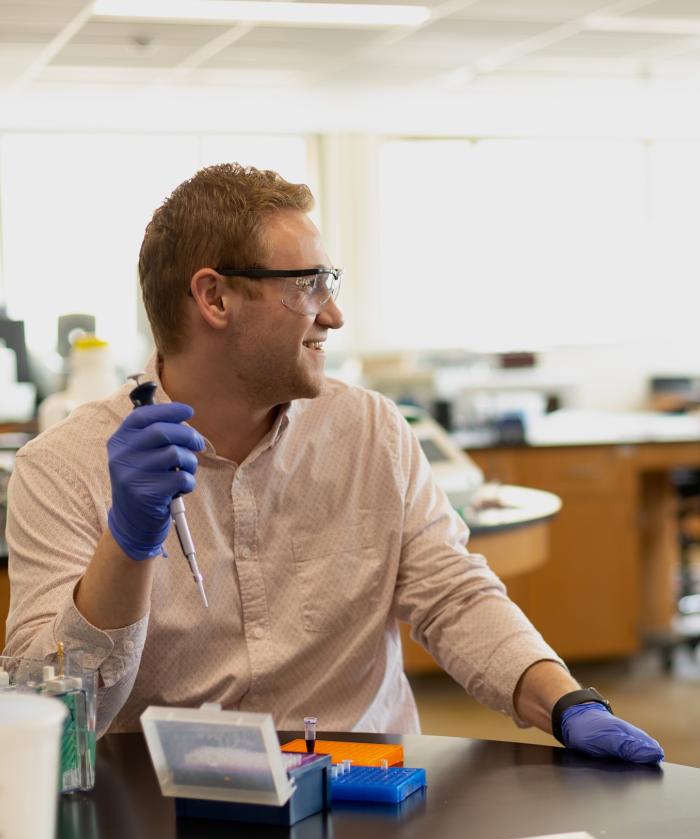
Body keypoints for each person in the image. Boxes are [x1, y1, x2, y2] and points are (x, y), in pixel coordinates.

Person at [5, 163, 662, 763]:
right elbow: (58, 716)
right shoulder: (62, 468)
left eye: (332, 283)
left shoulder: (370, 430)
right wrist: (126, 544)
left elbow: (454, 597)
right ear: (215, 299)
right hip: (165, 809)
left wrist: (566, 700)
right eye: (310, 286)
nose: (336, 315)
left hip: (363, 793)